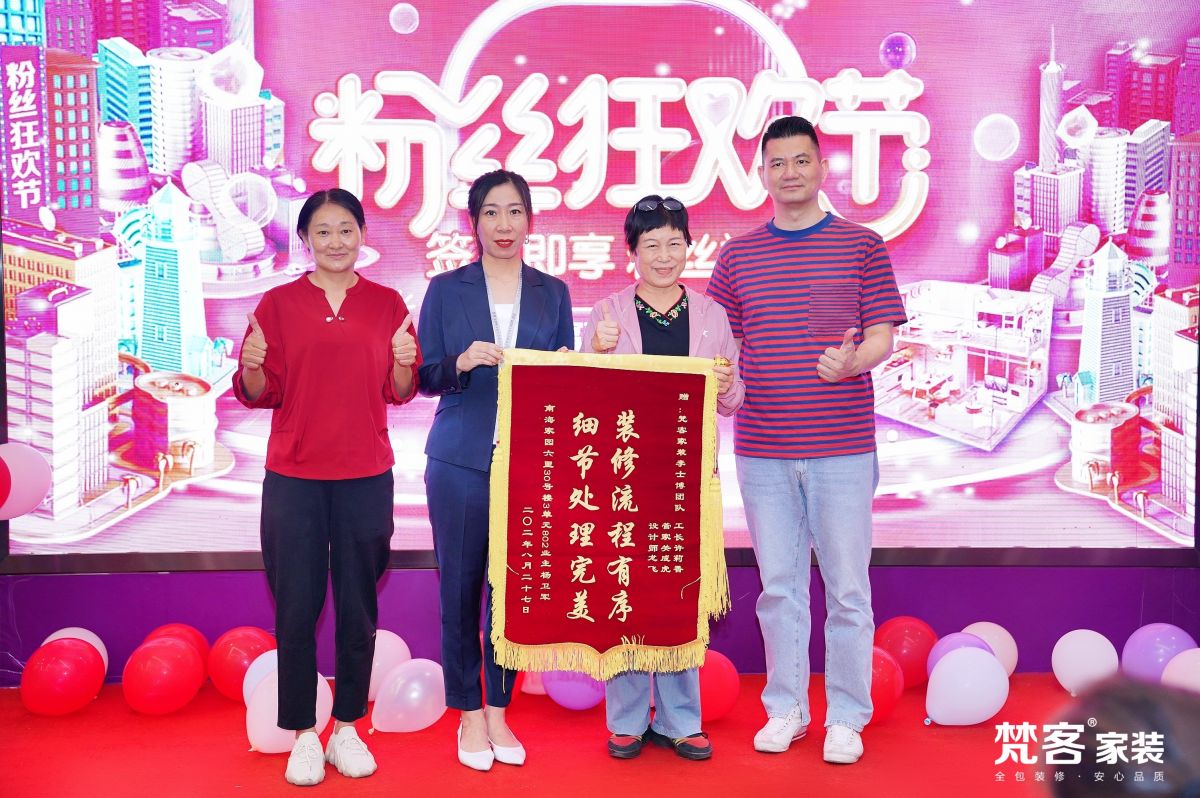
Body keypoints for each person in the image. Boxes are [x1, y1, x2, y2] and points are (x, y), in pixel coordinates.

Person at [706, 116, 907, 764]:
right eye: (777, 163)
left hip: (842, 447)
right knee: (779, 587)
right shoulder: (737, 257)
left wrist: (852, 363)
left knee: (847, 589)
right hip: (762, 448)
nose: (789, 173)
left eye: (801, 160)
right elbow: (719, 343)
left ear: (822, 168)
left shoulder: (862, 245)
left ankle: (846, 715)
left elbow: (882, 335)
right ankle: (787, 709)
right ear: (762, 174)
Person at [235, 188, 420, 786]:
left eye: (346, 230)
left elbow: (400, 390)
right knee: (296, 607)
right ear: (305, 240)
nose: (336, 242)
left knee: (358, 607)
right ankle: (302, 735)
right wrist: (253, 365)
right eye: (323, 231)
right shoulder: (278, 303)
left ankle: (346, 728)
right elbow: (260, 392)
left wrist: (403, 361)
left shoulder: (387, 304)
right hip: (295, 478)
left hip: (365, 475)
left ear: (362, 235)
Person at [418, 169, 574, 771]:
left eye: (514, 212)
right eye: (490, 212)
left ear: (529, 220)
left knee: (511, 597)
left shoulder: (553, 292)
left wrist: (566, 367)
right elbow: (424, 376)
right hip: (458, 459)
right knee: (458, 591)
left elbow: (567, 376)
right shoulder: (445, 289)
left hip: (529, 462)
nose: (503, 225)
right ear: (473, 222)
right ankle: (468, 714)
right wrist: (459, 362)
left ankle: (501, 711)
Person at [580, 195, 744, 761]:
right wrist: (595, 352)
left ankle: (680, 719)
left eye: (675, 242)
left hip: (687, 479)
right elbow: (584, 398)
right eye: (651, 244)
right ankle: (626, 719)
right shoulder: (607, 312)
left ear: (689, 247)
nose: (664, 255)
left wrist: (726, 382)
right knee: (625, 592)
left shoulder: (711, 315)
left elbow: (732, 401)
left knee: (680, 596)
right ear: (632, 252)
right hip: (624, 476)